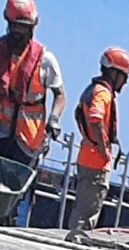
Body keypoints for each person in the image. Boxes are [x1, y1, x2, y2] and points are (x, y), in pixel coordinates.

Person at [0, 0, 64, 226]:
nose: (19, 34)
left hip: (26, 141)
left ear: (32, 28)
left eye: (24, 29)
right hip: (1, 133)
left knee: (16, 194)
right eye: (16, 28)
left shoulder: (45, 59)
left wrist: (54, 119)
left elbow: (60, 95)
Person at [70, 45, 129, 229]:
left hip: (86, 155)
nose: (126, 82)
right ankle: (76, 242)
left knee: (83, 205)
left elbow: (79, 115)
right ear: (114, 73)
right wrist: (103, 148)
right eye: (124, 76)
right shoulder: (103, 93)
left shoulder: (92, 89)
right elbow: (95, 119)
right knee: (88, 211)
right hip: (95, 161)